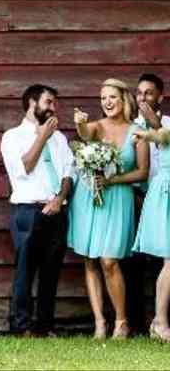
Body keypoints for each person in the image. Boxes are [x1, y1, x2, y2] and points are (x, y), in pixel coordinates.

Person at [68, 78, 149, 340]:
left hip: (118, 199)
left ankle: (121, 321)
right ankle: (100, 323)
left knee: (109, 260)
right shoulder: (96, 127)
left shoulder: (137, 131)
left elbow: (142, 171)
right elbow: (85, 134)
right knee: (90, 259)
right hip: (89, 197)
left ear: (123, 99)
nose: (107, 102)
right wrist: (80, 121)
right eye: (103, 98)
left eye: (112, 97)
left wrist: (112, 179)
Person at [0, 84, 73, 337]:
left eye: (54, 103)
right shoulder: (12, 137)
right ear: (32, 103)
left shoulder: (61, 138)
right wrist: (42, 136)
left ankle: (45, 326)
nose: (53, 108)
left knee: (51, 272)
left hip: (57, 212)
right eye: (49, 102)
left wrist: (59, 199)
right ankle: (21, 326)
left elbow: (67, 174)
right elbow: (25, 167)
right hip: (28, 212)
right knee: (25, 271)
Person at [124, 73, 169, 334]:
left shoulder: (168, 125)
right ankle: (138, 322)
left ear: (159, 96)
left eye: (148, 93)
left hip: (164, 197)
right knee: (135, 263)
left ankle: (161, 318)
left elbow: (163, 140)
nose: (142, 98)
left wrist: (154, 129)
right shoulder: (130, 128)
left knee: (164, 261)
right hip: (137, 197)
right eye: (139, 93)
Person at [132, 127, 170, 341]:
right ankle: (160, 322)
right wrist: (146, 135)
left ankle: (159, 321)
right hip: (166, 197)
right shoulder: (167, 130)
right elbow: (162, 136)